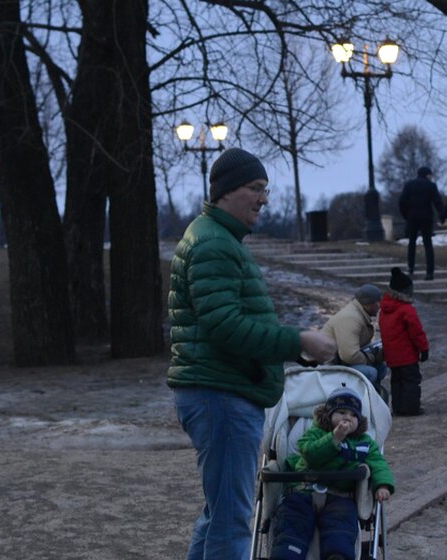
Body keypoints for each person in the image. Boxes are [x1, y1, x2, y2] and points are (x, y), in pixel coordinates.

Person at [167, 147, 337, 560]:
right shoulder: (213, 245)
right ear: (226, 191)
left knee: (219, 514)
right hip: (220, 396)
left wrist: (294, 349)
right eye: (255, 188)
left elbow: (229, 324)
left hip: (221, 392)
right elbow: (225, 327)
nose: (264, 199)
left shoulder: (217, 238)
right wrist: (297, 340)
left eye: (266, 189)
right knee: (230, 521)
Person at [270, 387, 395, 560]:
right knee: (292, 521)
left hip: (340, 496)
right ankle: (288, 554)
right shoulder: (315, 433)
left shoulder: (364, 443)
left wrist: (383, 484)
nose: (347, 418)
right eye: (341, 412)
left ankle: (337, 555)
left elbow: (378, 464)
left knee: (341, 526)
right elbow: (310, 454)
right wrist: (334, 438)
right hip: (303, 491)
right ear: (328, 416)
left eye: (353, 415)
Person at [379, 267, 430, 416]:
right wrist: (424, 348)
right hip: (407, 355)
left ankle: (398, 407)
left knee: (397, 382)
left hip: (392, 356)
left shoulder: (384, 309)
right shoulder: (407, 310)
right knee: (411, 381)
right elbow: (417, 332)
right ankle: (410, 408)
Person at [321, 284, 387, 392]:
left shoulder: (358, 314)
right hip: (328, 368)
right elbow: (349, 355)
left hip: (339, 362)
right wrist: (370, 359)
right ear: (368, 304)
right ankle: (361, 400)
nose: (379, 306)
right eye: (377, 302)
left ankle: (373, 396)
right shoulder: (351, 318)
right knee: (371, 372)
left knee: (381, 367)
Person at [399, 166, 444, 280]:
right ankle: (430, 271)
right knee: (428, 244)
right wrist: (442, 214)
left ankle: (411, 267)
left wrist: (406, 215)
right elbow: (437, 201)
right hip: (426, 217)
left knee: (412, 243)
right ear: (427, 174)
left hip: (412, 217)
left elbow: (402, 202)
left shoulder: (409, 185)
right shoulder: (431, 185)